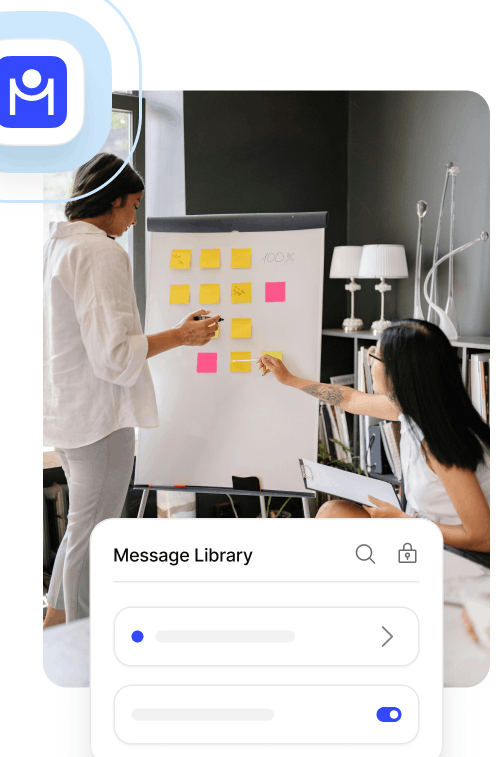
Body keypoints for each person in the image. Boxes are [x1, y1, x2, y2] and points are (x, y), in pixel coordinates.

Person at [43, 153, 220, 626]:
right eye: (134, 205)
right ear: (114, 200)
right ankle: (75, 642)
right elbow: (116, 356)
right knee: (94, 533)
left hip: (68, 413)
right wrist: (183, 336)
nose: (134, 218)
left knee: (81, 529)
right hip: (98, 418)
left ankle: (55, 626)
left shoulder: (57, 246)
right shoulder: (100, 252)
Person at [258, 319, 490, 565]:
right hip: (422, 530)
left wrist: (406, 524)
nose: (369, 361)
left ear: (399, 371)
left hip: (466, 555)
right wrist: (290, 379)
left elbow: (483, 538)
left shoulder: (441, 439)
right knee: (332, 513)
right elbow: (350, 400)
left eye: (375, 356)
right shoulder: (416, 408)